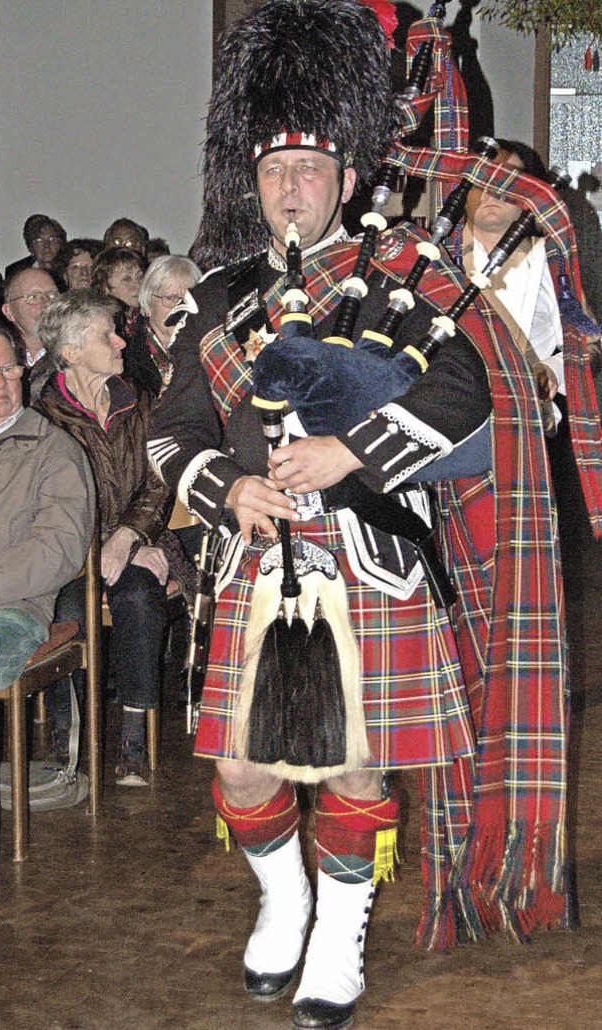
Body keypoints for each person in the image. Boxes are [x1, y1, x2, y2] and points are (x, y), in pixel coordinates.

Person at [148, 3, 582, 1028]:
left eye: (310, 171)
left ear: (346, 179)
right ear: (248, 185)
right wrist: (228, 484)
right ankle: (284, 896)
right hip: (252, 557)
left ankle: (337, 934)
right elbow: (169, 429)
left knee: (352, 756)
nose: (290, 189)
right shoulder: (218, 299)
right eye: (272, 172)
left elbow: (463, 394)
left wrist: (350, 448)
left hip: (371, 556)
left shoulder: (409, 279)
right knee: (240, 762)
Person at [36, 292, 177, 786]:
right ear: (71, 352)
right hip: (71, 556)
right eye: (107, 335)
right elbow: (50, 504)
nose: (121, 341)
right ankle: (63, 733)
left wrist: (131, 534)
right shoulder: (42, 417)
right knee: (66, 612)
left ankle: (133, 737)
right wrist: (100, 545)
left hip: (141, 541)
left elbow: (162, 479)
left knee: (139, 596)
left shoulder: (139, 399)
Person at [0, 318, 95, 834]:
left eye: (9, 368)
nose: (1, 381)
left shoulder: (52, 450)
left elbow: (58, 551)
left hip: (6, 612)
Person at [462, 139, 601, 434]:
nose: (493, 188)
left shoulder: (551, 261)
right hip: (444, 412)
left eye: (509, 179)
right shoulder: (432, 256)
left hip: (523, 419)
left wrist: (550, 369)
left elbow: (591, 345)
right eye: (482, 176)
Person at [125, 254, 201, 397]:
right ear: (148, 303)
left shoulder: (206, 348)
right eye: (170, 298)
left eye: (186, 299)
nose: (179, 308)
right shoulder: (127, 358)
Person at [2, 267, 60, 402]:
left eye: (53, 295)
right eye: (33, 297)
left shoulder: (77, 354)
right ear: (8, 311)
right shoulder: (0, 356)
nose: (47, 304)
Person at [91, 247, 147, 341]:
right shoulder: (99, 324)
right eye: (127, 279)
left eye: (140, 276)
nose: (138, 285)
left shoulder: (146, 317)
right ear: (105, 286)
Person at [5, 214, 66, 282]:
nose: (46, 245)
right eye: (39, 240)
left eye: (51, 239)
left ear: (60, 242)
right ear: (30, 247)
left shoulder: (71, 268)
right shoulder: (15, 272)